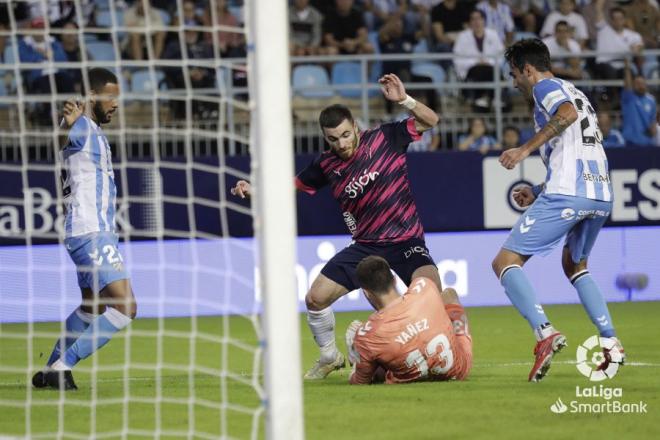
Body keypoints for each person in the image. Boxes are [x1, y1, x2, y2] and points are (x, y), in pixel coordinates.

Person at [231, 73, 442, 380]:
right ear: (325, 138)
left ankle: (439, 353)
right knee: (315, 299)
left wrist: (404, 101)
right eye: (333, 139)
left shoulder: (387, 137)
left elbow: (432, 120)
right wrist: (254, 188)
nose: (341, 144)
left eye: (345, 135)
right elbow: (288, 186)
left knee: (433, 292)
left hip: (406, 239)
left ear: (355, 127)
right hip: (365, 247)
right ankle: (330, 356)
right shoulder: (326, 165)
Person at [492, 39, 624, 382]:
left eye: (514, 74)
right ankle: (611, 342)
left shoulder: (545, 87)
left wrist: (523, 150)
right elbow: (574, 144)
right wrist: (537, 190)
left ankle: (544, 333)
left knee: (504, 262)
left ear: (528, 69)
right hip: (599, 193)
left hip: (570, 192)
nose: (514, 82)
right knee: (575, 264)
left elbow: (567, 115)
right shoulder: (574, 89)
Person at [31, 68, 137, 391]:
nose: (115, 103)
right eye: (110, 96)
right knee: (126, 306)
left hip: (84, 231)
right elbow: (63, 137)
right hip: (91, 231)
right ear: (93, 96)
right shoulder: (82, 127)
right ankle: (63, 366)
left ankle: (51, 367)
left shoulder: (88, 129)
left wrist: (70, 124)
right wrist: (67, 122)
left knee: (93, 306)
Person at [346, 256, 472, 384]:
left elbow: (359, 382)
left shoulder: (366, 334)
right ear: (394, 280)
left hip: (411, 377)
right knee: (449, 294)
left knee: (377, 353)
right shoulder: (425, 285)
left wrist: (356, 357)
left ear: (367, 293)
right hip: (458, 370)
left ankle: (362, 360)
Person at [453, 9, 504, 111]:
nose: (476, 22)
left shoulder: (493, 34)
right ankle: (489, 97)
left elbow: (501, 55)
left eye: (479, 18)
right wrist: (475, 62)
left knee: (491, 70)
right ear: (470, 22)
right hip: (471, 70)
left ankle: (487, 98)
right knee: (480, 70)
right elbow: (456, 59)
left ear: (484, 20)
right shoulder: (463, 37)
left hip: (491, 68)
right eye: (473, 19)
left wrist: (488, 62)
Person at [621, 59, 657, 147]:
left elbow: (652, 120)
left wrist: (653, 129)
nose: (640, 86)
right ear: (633, 85)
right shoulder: (629, 98)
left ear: (646, 84)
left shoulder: (651, 100)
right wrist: (627, 68)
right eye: (637, 84)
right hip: (630, 142)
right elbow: (627, 86)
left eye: (642, 83)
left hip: (647, 142)